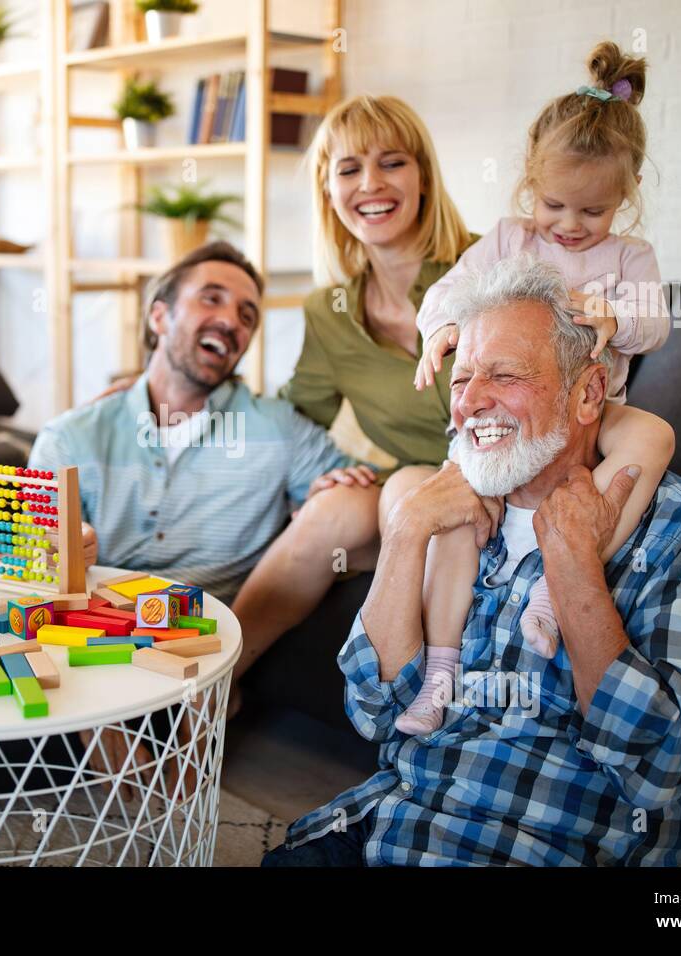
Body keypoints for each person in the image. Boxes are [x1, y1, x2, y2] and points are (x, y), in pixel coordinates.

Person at [263, 254, 681, 866]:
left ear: (590, 392)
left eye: (506, 376)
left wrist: (574, 569)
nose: (472, 402)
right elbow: (373, 711)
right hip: (386, 829)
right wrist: (409, 527)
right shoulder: (451, 510)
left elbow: (658, 765)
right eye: (462, 379)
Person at [401, 41, 675, 733]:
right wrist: (442, 331)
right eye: (555, 205)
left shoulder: (629, 257)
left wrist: (620, 318)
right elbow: (447, 292)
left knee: (654, 435)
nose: (571, 226)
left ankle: (555, 595)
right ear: (529, 186)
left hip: (591, 409)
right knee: (461, 517)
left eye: (593, 212)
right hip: (512, 419)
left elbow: (660, 324)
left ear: (626, 193)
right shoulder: (508, 239)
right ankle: (438, 675)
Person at [28, 241, 356, 777]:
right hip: (93, 642)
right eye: (212, 299)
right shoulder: (70, 437)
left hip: (211, 642)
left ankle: (207, 702)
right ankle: (103, 727)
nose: (231, 320)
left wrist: (328, 501)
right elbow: (25, 560)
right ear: (160, 315)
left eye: (246, 314)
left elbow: (361, 505)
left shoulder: (278, 428)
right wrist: (62, 544)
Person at [229, 94, 478, 695]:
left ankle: (418, 706)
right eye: (348, 169)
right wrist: (165, 387)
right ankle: (211, 688)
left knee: (405, 493)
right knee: (341, 504)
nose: (370, 183)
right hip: (413, 482)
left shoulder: (486, 263)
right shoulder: (331, 313)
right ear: (328, 191)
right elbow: (292, 415)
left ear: (422, 176)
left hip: (504, 475)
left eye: (392, 162)